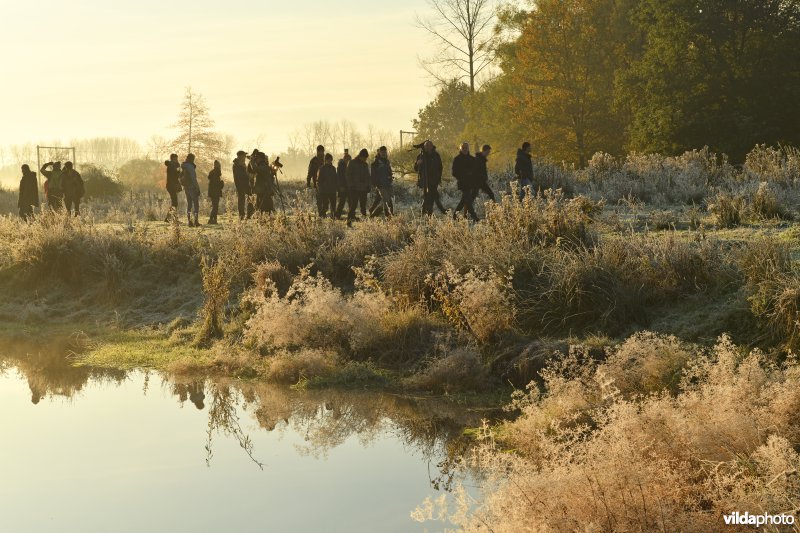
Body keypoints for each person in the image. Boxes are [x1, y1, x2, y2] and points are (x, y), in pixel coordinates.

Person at [415, 140, 446, 216]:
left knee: (430, 197)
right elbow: (416, 168)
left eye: (429, 146)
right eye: (426, 146)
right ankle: (432, 213)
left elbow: (440, 167)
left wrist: (439, 178)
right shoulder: (420, 156)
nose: (427, 147)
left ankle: (425, 213)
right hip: (425, 180)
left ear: (432, 146)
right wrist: (417, 163)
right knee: (430, 197)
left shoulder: (436, 155)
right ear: (424, 146)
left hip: (434, 180)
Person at [452, 142, 479, 222]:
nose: (464, 149)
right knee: (467, 200)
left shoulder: (472, 159)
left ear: (468, 148)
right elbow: (454, 172)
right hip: (463, 183)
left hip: (471, 183)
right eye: (463, 148)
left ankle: (455, 215)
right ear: (460, 148)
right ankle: (474, 217)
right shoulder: (457, 159)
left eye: (466, 147)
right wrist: (463, 175)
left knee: (464, 200)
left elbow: (476, 172)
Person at [346, 148, 371, 225]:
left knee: (363, 206)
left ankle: (364, 224)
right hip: (354, 188)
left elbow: (368, 176)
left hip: (363, 188)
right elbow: (348, 175)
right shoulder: (352, 163)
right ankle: (349, 221)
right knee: (354, 205)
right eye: (364, 157)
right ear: (360, 156)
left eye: (366, 158)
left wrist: (368, 186)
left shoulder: (365, 165)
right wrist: (351, 185)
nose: (365, 159)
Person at [369, 146, 394, 218]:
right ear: (379, 152)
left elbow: (389, 172)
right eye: (382, 152)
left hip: (388, 184)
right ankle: (388, 215)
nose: (383, 153)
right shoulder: (375, 163)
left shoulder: (387, 161)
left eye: (385, 152)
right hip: (380, 185)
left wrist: (390, 177)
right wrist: (375, 185)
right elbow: (373, 176)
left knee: (388, 200)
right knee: (386, 200)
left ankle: (373, 214)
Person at [181, 153, 201, 227]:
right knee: (196, 204)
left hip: (186, 187)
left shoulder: (183, 166)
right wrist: (197, 188)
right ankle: (196, 221)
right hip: (192, 187)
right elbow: (193, 178)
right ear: (192, 159)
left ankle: (189, 221)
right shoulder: (190, 167)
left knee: (189, 204)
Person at [316, 153, 338, 218]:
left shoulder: (333, 169)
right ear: (325, 160)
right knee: (325, 206)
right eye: (328, 160)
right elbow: (319, 180)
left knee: (333, 206)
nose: (329, 161)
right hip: (324, 191)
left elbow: (335, 179)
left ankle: (333, 218)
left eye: (331, 160)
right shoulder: (322, 169)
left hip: (332, 190)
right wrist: (321, 189)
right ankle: (322, 216)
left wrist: (336, 187)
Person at [233, 150, 251, 220]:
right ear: (240, 156)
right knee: (241, 200)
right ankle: (241, 215)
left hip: (246, 184)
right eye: (243, 156)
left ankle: (249, 214)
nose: (245, 157)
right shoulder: (236, 165)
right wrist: (247, 174)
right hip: (240, 185)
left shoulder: (242, 164)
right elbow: (240, 175)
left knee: (250, 198)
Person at [164, 153, 182, 221]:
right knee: (175, 203)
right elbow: (176, 175)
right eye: (176, 159)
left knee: (174, 202)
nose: (177, 160)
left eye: (177, 158)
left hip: (172, 185)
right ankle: (172, 219)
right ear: (173, 159)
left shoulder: (173, 165)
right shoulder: (172, 166)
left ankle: (169, 218)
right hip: (171, 186)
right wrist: (178, 170)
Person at [335, 149, 351, 219]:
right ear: (345, 159)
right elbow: (339, 177)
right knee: (342, 201)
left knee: (350, 201)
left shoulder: (348, 166)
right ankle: (337, 215)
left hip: (348, 186)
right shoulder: (341, 166)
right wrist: (340, 186)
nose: (348, 161)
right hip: (343, 187)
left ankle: (351, 215)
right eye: (347, 159)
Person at [207, 160, 224, 224]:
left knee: (215, 206)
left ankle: (214, 219)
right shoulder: (216, 172)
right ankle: (211, 219)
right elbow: (216, 184)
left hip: (212, 192)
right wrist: (221, 184)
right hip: (215, 192)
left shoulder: (212, 172)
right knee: (215, 206)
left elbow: (212, 183)